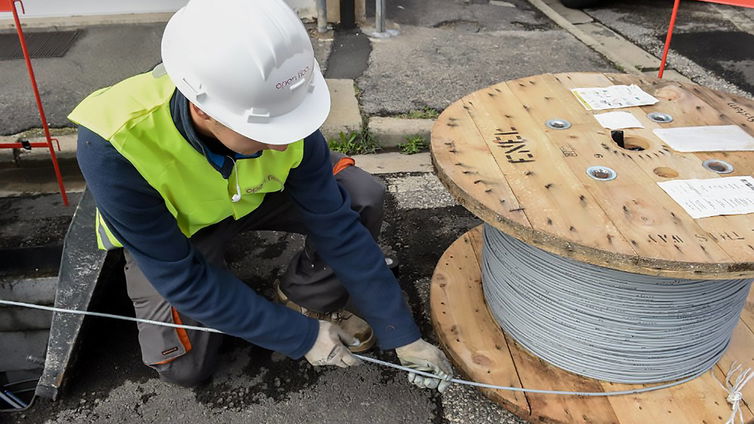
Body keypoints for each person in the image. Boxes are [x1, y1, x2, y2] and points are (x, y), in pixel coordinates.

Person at [70, 0, 452, 392]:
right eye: (271, 132)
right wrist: (300, 337)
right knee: (183, 367)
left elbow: (336, 226)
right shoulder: (114, 142)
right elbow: (180, 278)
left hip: (253, 198)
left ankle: (304, 295)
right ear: (203, 112)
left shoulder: (277, 109)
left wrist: (401, 332)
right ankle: (247, 292)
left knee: (358, 195)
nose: (287, 143)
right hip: (180, 234)